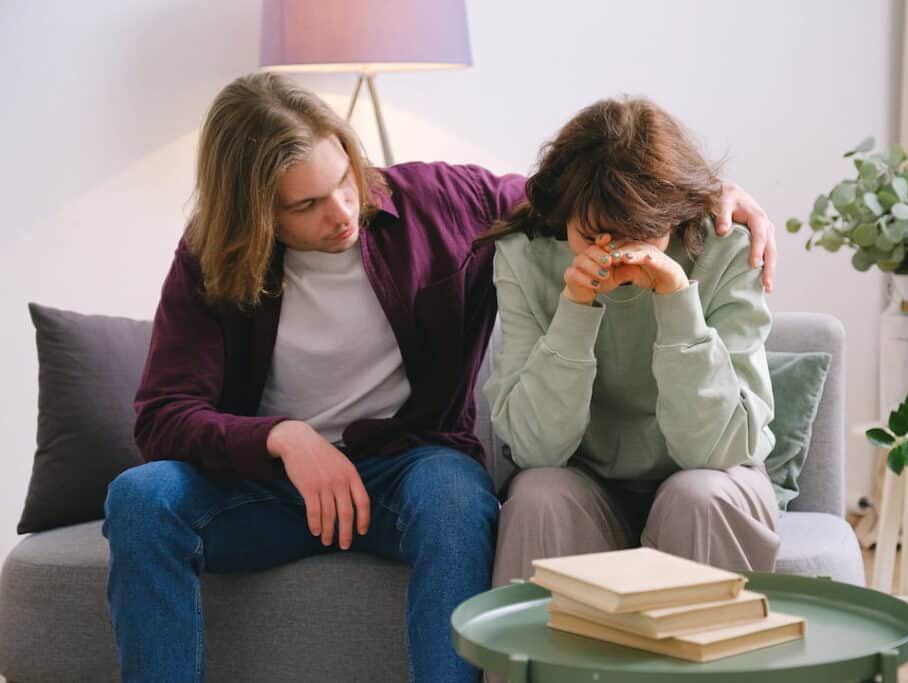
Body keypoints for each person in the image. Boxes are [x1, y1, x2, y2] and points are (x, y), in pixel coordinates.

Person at [101, 73, 776, 682]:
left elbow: (582, 198)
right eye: (304, 205)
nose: (340, 211)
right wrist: (281, 438)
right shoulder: (208, 258)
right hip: (272, 487)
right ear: (252, 212)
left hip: (407, 471)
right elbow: (162, 414)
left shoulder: (439, 200)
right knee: (140, 497)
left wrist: (702, 195)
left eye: (344, 179)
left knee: (457, 499)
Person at [480, 96, 781, 588]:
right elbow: (536, 448)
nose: (616, 252)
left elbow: (720, 449)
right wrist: (575, 308)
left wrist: (678, 302)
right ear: (565, 214)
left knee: (699, 496)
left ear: (672, 213)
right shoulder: (524, 254)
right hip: (586, 483)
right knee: (538, 496)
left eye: (641, 233)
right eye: (593, 234)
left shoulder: (728, 247)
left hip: (714, 476)